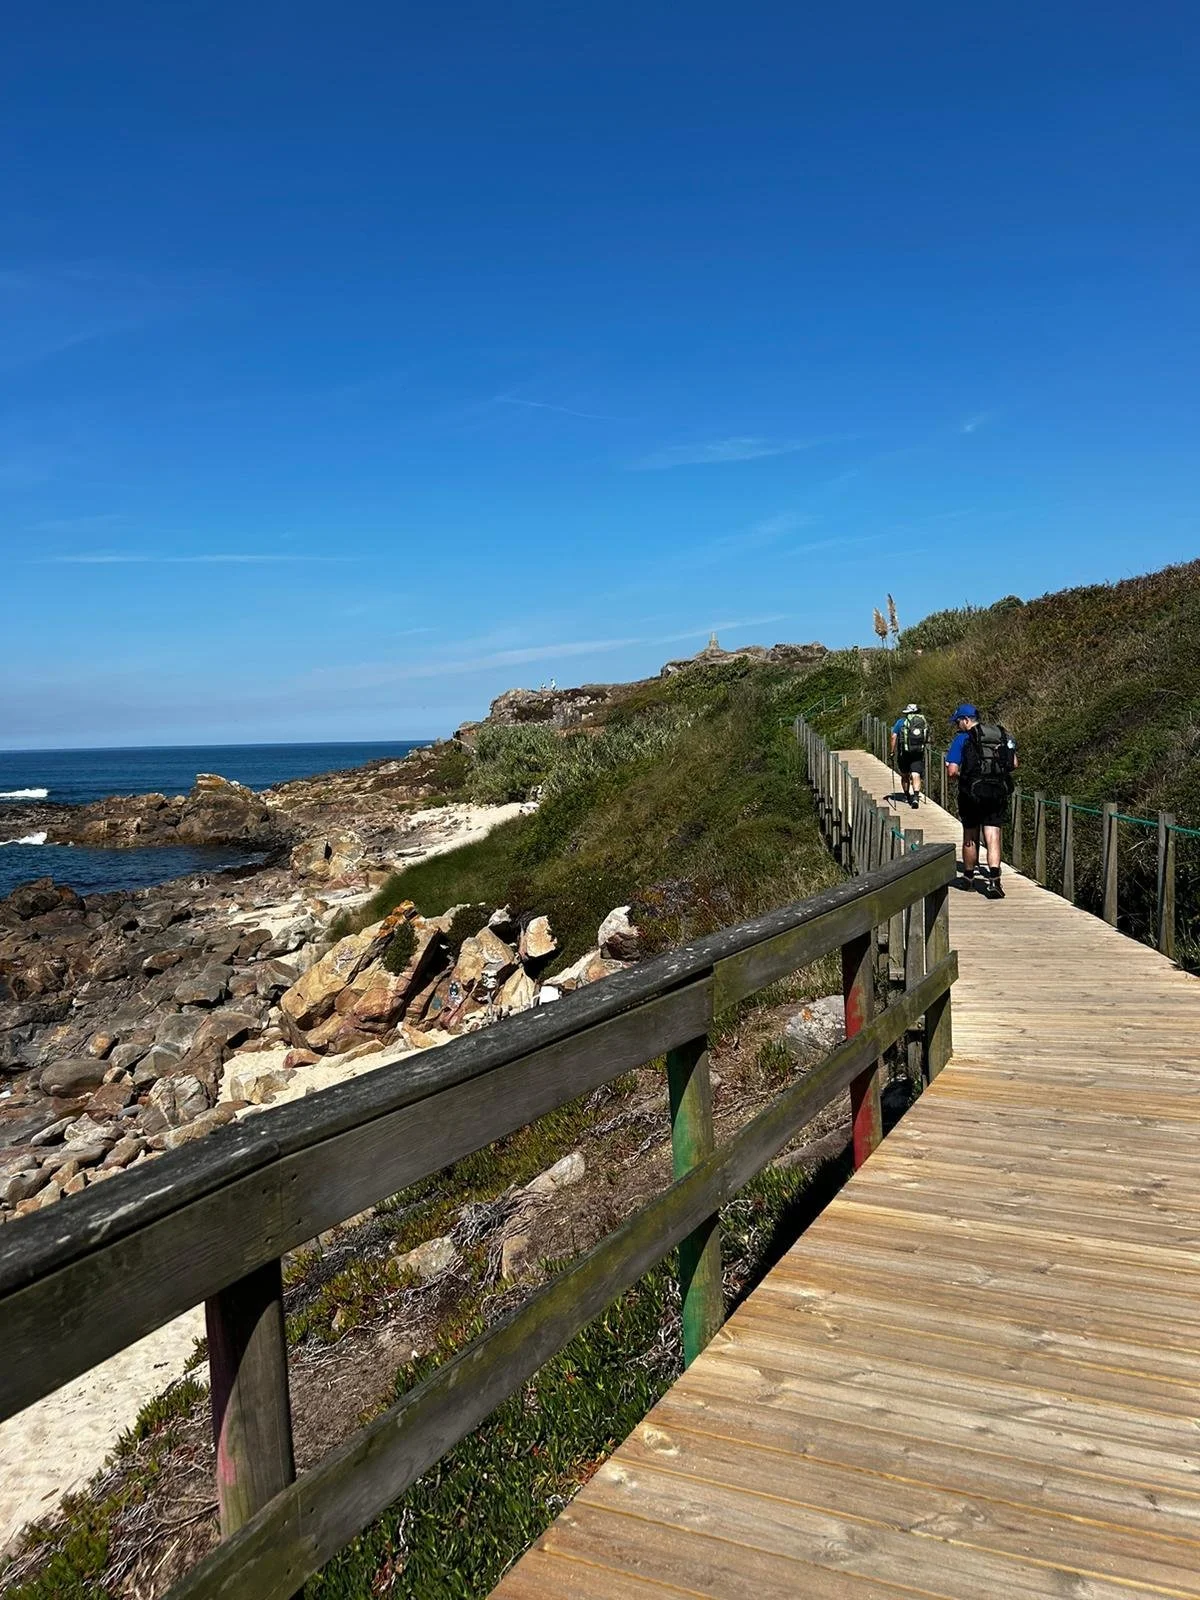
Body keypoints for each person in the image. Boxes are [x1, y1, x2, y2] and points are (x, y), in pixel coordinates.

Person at [946, 703, 1018, 899]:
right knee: (993, 834)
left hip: (971, 793)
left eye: (958, 721)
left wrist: (965, 775)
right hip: (997, 792)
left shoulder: (962, 739)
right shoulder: (1000, 735)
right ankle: (994, 880)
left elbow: (952, 771)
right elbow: (1013, 763)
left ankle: (969, 879)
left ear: (966, 720)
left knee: (970, 834)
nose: (957, 725)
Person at [889, 703, 928, 809]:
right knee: (916, 774)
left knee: (905, 775)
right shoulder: (922, 721)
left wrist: (892, 752)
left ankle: (907, 795)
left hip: (904, 753)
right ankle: (915, 797)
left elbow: (893, 737)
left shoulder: (901, 722)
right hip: (918, 753)